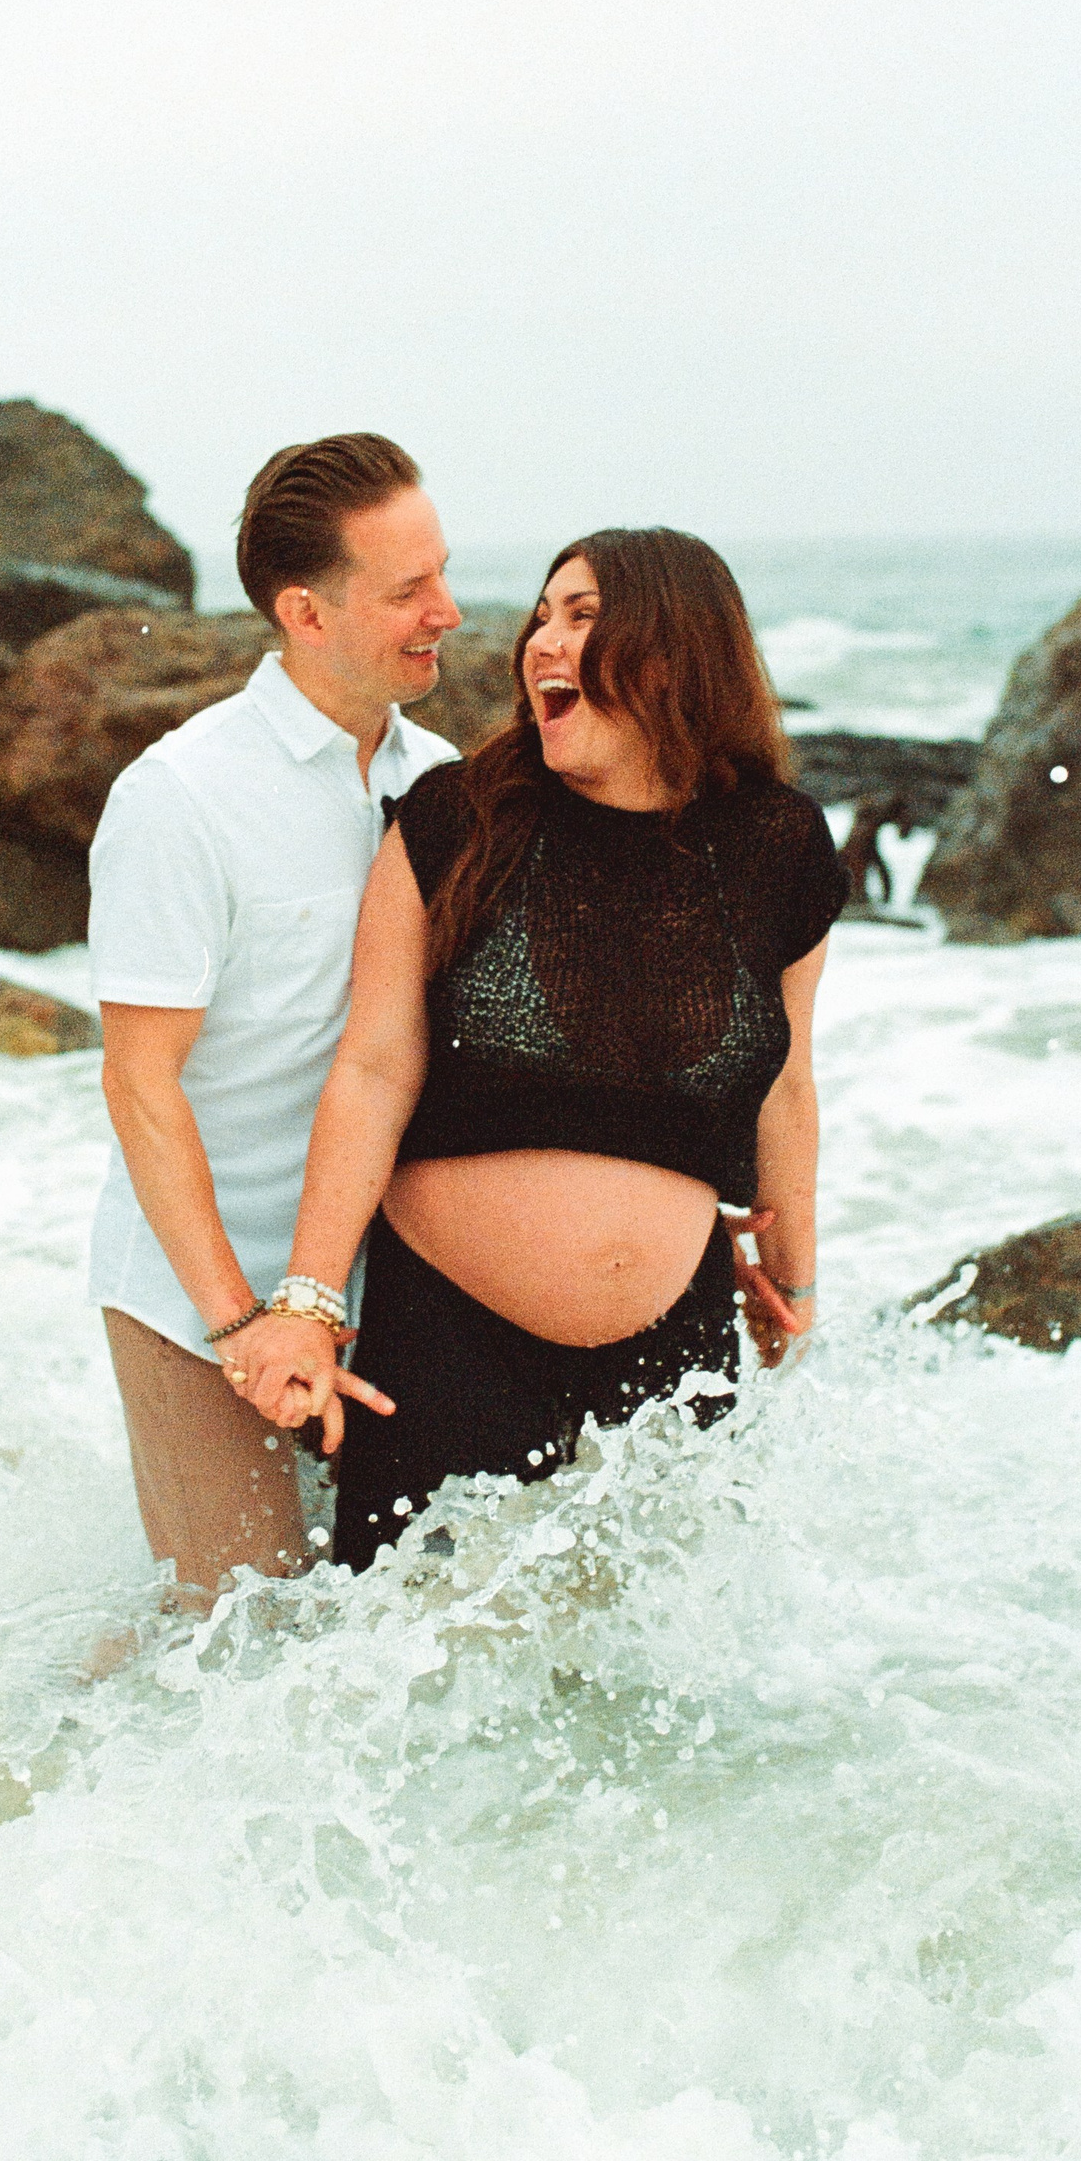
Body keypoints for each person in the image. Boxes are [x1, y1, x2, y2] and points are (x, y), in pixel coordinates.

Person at [228, 528, 851, 1572]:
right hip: (447, 1335)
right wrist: (307, 1302)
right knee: (386, 1679)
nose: (541, 643)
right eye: (542, 616)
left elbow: (785, 1082)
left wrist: (798, 1287)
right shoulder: (457, 820)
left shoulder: (776, 844)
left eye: (583, 616)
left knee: (664, 1702)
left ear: (674, 650)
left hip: (675, 1346)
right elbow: (374, 1070)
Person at [87, 431, 463, 1613]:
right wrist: (240, 1324)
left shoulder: (445, 779)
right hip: (206, 1295)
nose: (447, 612)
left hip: (389, 1288)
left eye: (441, 574)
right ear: (304, 611)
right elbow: (141, 1086)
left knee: (383, 1640)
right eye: (408, 591)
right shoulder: (180, 799)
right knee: (228, 1641)